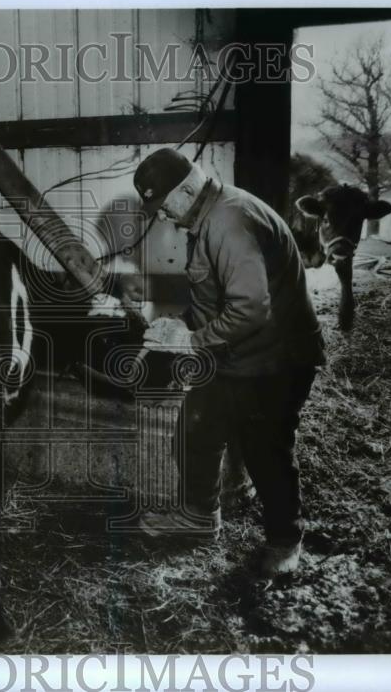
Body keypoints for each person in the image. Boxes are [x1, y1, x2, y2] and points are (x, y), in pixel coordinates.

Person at [133, 148, 324, 576]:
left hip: (277, 358)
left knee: (265, 448)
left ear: (184, 192)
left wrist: (192, 342)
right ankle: (200, 518)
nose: (162, 217)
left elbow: (252, 310)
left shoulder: (229, 222)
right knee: (195, 429)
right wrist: (177, 326)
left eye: (162, 207)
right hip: (237, 353)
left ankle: (285, 540)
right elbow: (216, 296)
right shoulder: (205, 217)